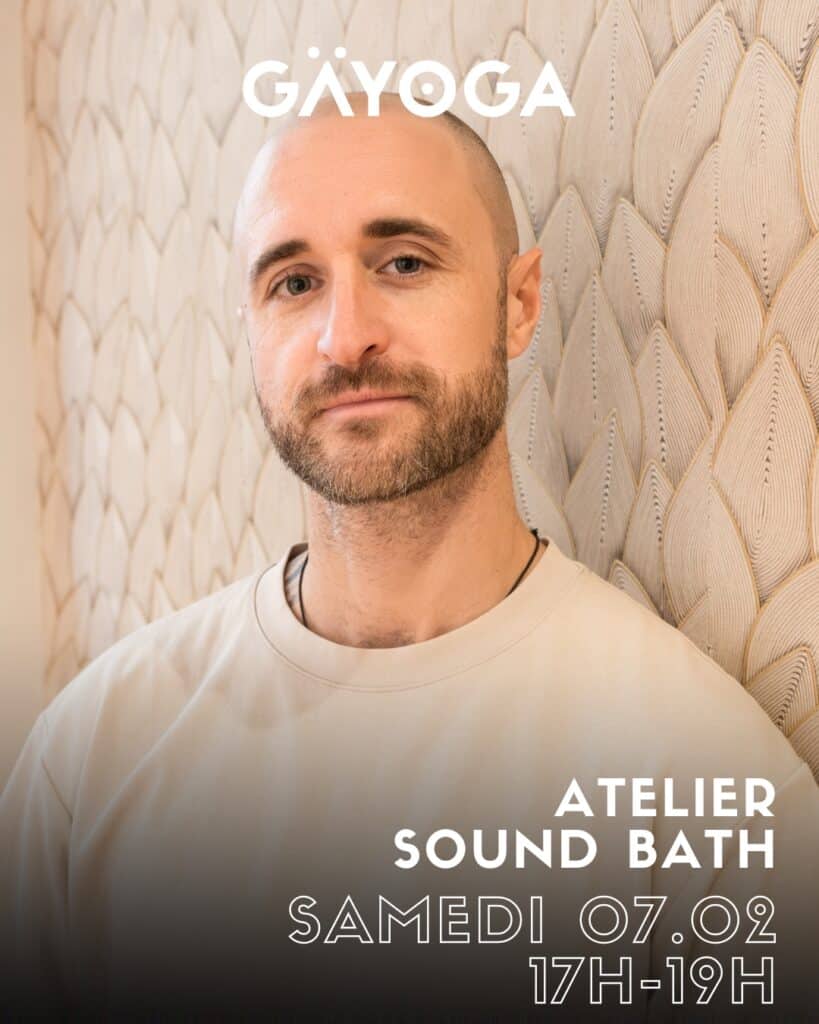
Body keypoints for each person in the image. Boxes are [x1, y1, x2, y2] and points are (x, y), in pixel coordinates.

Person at [1, 94, 818, 1020]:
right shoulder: (92, 758)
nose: (344, 336)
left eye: (403, 262)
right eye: (293, 283)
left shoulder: (699, 781)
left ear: (517, 304)